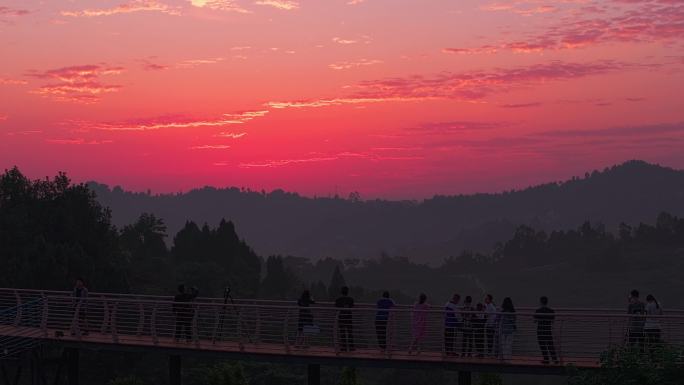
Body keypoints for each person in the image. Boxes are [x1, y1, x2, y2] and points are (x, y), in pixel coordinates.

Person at [534, 296, 558, 365]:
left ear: (541, 302)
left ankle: (546, 359)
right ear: (547, 302)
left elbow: (535, 320)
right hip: (548, 329)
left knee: (542, 345)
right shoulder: (551, 311)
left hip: (540, 330)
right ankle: (555, 359)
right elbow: (552, 321)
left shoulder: (538, 311)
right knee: (550, 345)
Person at [335, 286, 355, 352]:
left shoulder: (338, 300)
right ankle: (351, 347)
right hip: (349, 317)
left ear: (341, 292)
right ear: (347, 292)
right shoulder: (351, 299)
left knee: (342, 333)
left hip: (341, 317)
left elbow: (336, 306)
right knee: (350, 332)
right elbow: (352, 306)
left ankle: (344, 347)